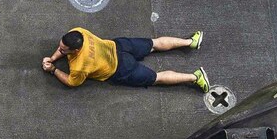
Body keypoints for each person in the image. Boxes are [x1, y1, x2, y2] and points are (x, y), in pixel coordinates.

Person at [43, 28, 209, 92]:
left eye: (64, 50)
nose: (61, 50)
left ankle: (195, 77)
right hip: (120, 46)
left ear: (76, 50)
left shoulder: (79, 66)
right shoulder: (78, 32)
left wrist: (53, 69)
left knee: (156, 78)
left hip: (121, 69)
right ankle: (190, 42)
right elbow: (62, 48)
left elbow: (72, 82)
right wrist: (52, 58)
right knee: (155, 43)